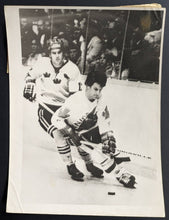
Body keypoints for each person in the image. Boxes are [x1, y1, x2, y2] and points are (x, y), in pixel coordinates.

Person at [51, 70, 136, 187]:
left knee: (99, 151)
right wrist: (70, 131)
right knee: (57, 133)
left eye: (101, 90)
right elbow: (55, 118)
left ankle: (118, 174)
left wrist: (108, 137)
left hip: (84, 129)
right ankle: (70, 166)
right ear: (87, 86)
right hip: (67, 129)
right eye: (96, 89)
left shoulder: (101, 100)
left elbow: (104, 121)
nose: (98, 93)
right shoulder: (74, 101)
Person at [23, 37, 82, 137]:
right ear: (50, 54)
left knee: (73, 137)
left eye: (59, 52)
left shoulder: (73, 69)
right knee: (59, 135)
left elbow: (75, 96)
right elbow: (30, 76)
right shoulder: (42, 63)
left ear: (64, 53)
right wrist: (29, 85)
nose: (57, 56)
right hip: (45, 107)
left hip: (63, 110)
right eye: (54, 53)